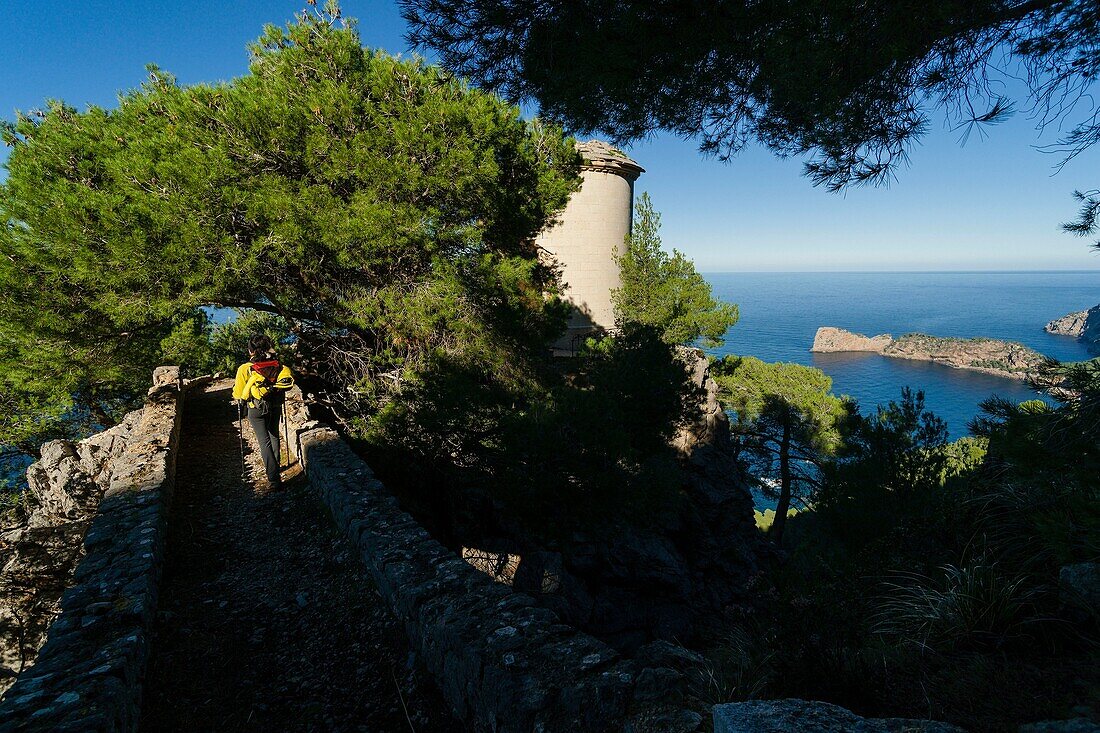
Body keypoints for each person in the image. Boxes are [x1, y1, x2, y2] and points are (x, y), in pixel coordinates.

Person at [232, 334, 294, 487]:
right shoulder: (277, 365)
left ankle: (273, 478)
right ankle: (276, 466)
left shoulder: (245, 368)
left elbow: (239, 394)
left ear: (251, 351)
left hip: (256, 408)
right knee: (274, 435)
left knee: (263, 441)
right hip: (275, 404)